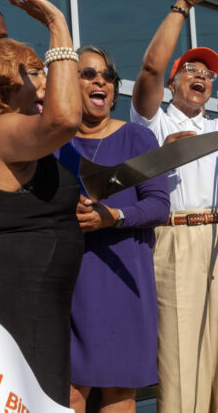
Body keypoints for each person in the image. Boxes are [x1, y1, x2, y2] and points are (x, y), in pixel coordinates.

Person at [129, 0, 218, 411]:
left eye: (207, 74)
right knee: (179, 354)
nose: (201, 78)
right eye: (191, 70)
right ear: (173, 81)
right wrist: (183, 5)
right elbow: (150, 69)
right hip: (176, 238)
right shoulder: (151, 121)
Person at [0, 0, 82, 406]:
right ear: (8, 83)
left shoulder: (20, 135)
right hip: (17, 300)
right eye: (36, 70)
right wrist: (56, 26)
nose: (48, 78)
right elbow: (65, 118)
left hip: (38, 301)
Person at [66, 45, 170, 413]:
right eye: (89, 74)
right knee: (70, 392)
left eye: (107, 76)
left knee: (119, 392)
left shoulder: (138, 139)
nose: (101, 81)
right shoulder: (52, 141)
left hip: (124, 277)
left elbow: (159, 205)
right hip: (69, 281)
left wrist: (115, 216)